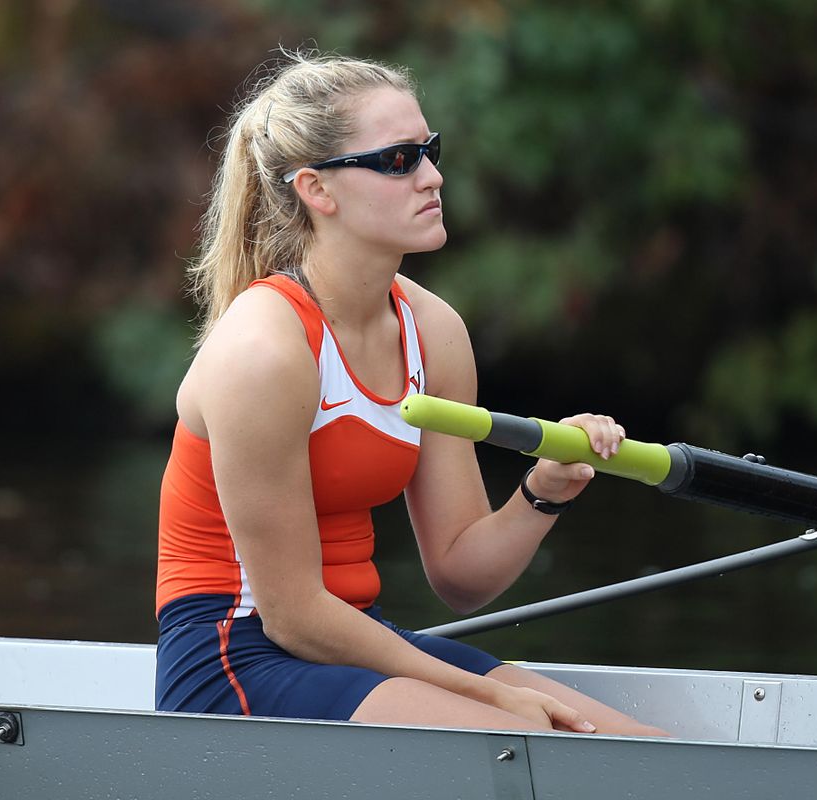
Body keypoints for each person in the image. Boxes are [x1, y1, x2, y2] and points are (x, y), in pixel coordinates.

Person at [154, 49, 664, 737]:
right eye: (399, 160)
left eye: (431, 151)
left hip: (354, 640)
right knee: (540, 737)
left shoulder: (434, 331)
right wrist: (489, 700)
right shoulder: (263, 353)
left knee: (645, 750)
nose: (433, 176)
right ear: (317, 190)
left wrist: (545, 488)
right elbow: (293, 617)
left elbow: (460, 574)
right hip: (235, 657)